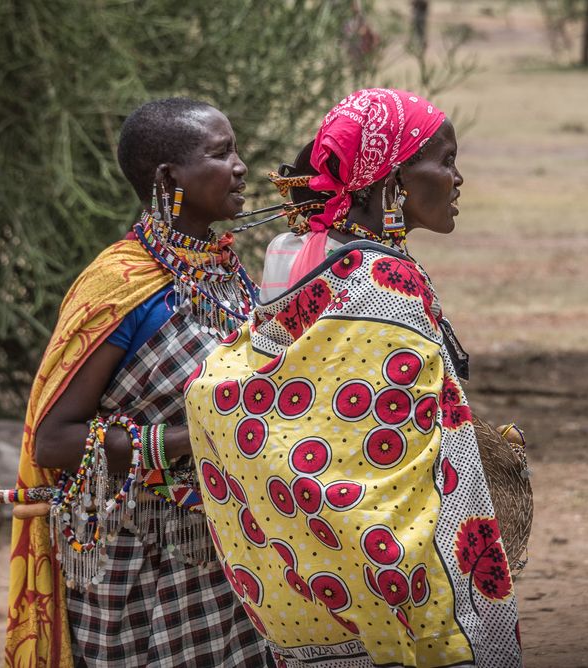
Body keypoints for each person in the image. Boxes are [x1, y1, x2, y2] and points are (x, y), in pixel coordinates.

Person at [185, 88, 523, 668]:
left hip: (317, 573)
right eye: (443, 160)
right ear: (391, 180)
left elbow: (293, 409)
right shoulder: (386, 276)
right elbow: (404, 456)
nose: (458, 178)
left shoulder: (298, 249)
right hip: (399, 571)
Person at [4, 97, 267, 667]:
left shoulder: (230, 275)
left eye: (237, 150)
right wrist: (189, 441)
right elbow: (52, 439)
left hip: (229, 543)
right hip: (138, 560)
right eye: (222, 154)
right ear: (169, 177)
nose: (241, 166)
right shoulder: (120, 287)